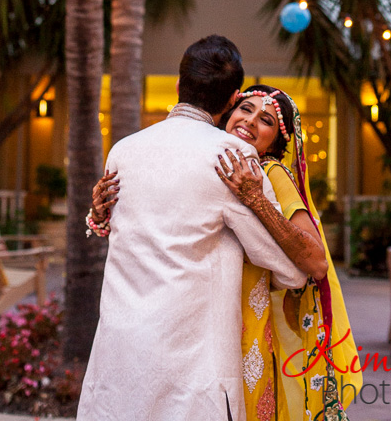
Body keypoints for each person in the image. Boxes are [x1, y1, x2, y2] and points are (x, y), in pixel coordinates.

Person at [77, 36, 307, 421]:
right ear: (233, 98)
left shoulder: (123, 150)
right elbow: (290, 269)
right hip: (191, 368)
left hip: (120, 352)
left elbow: (115, 225)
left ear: (178, 85)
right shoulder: (232, 158)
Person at [218, 87, 361, 420]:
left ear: (276, 142)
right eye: (245, 109)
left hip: (253, 323)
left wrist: (256, 200)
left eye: (265, 120)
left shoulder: (271, 174)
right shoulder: (216, 160)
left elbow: (316, 261)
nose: (249, 121)